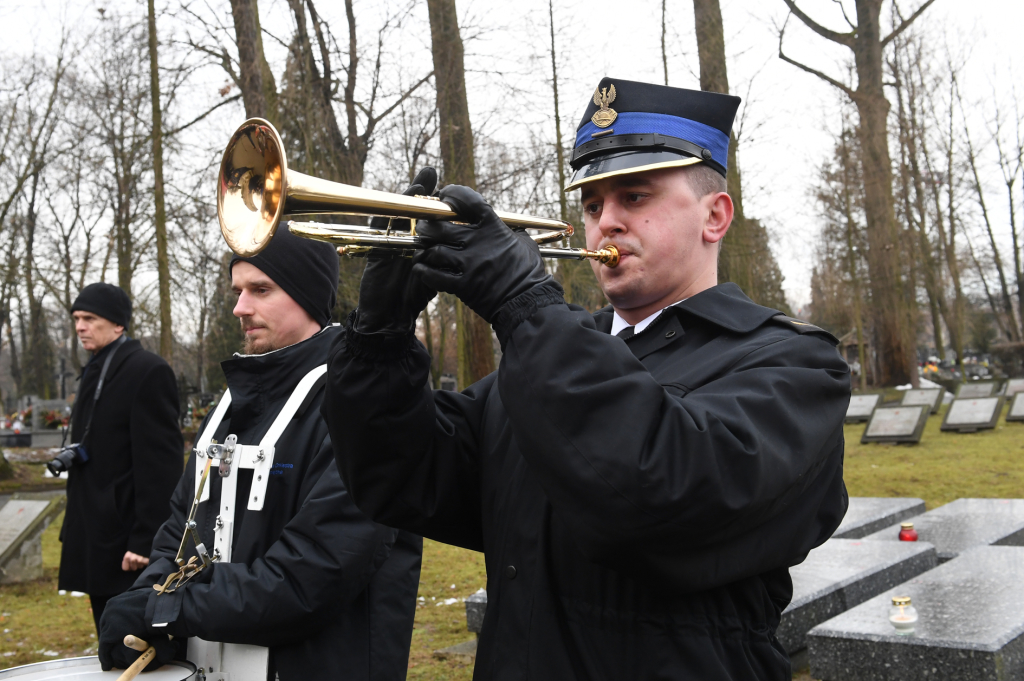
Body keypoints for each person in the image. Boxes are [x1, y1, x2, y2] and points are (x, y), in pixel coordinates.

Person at [323, 78, 850, 679]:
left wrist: (526, 306)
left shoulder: (795, 365)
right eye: (594, 205)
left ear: (715, 215)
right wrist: (378, 337)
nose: (607, 223)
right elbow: (403, 478)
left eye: (634, 197)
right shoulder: (552, 356)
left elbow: (662, 491)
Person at [97, 226, 422, 681]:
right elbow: (179, 530)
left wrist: (170, 606)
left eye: (261, 289)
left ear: (308, 296)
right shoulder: (233, 403)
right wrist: (145, 604)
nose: (240, 307)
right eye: (238, 290)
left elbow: (312, 575)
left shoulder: (365, 404)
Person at [56, 282, 183, 633]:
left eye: (89, 318)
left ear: (118, 324)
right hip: (96, 533)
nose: (80, 326)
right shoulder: (97, 368)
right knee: (108, 638)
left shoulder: (146, 370)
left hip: (126, 545)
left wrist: (146, 541)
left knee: (134, 644)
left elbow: (161, 467)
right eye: (77, 318)